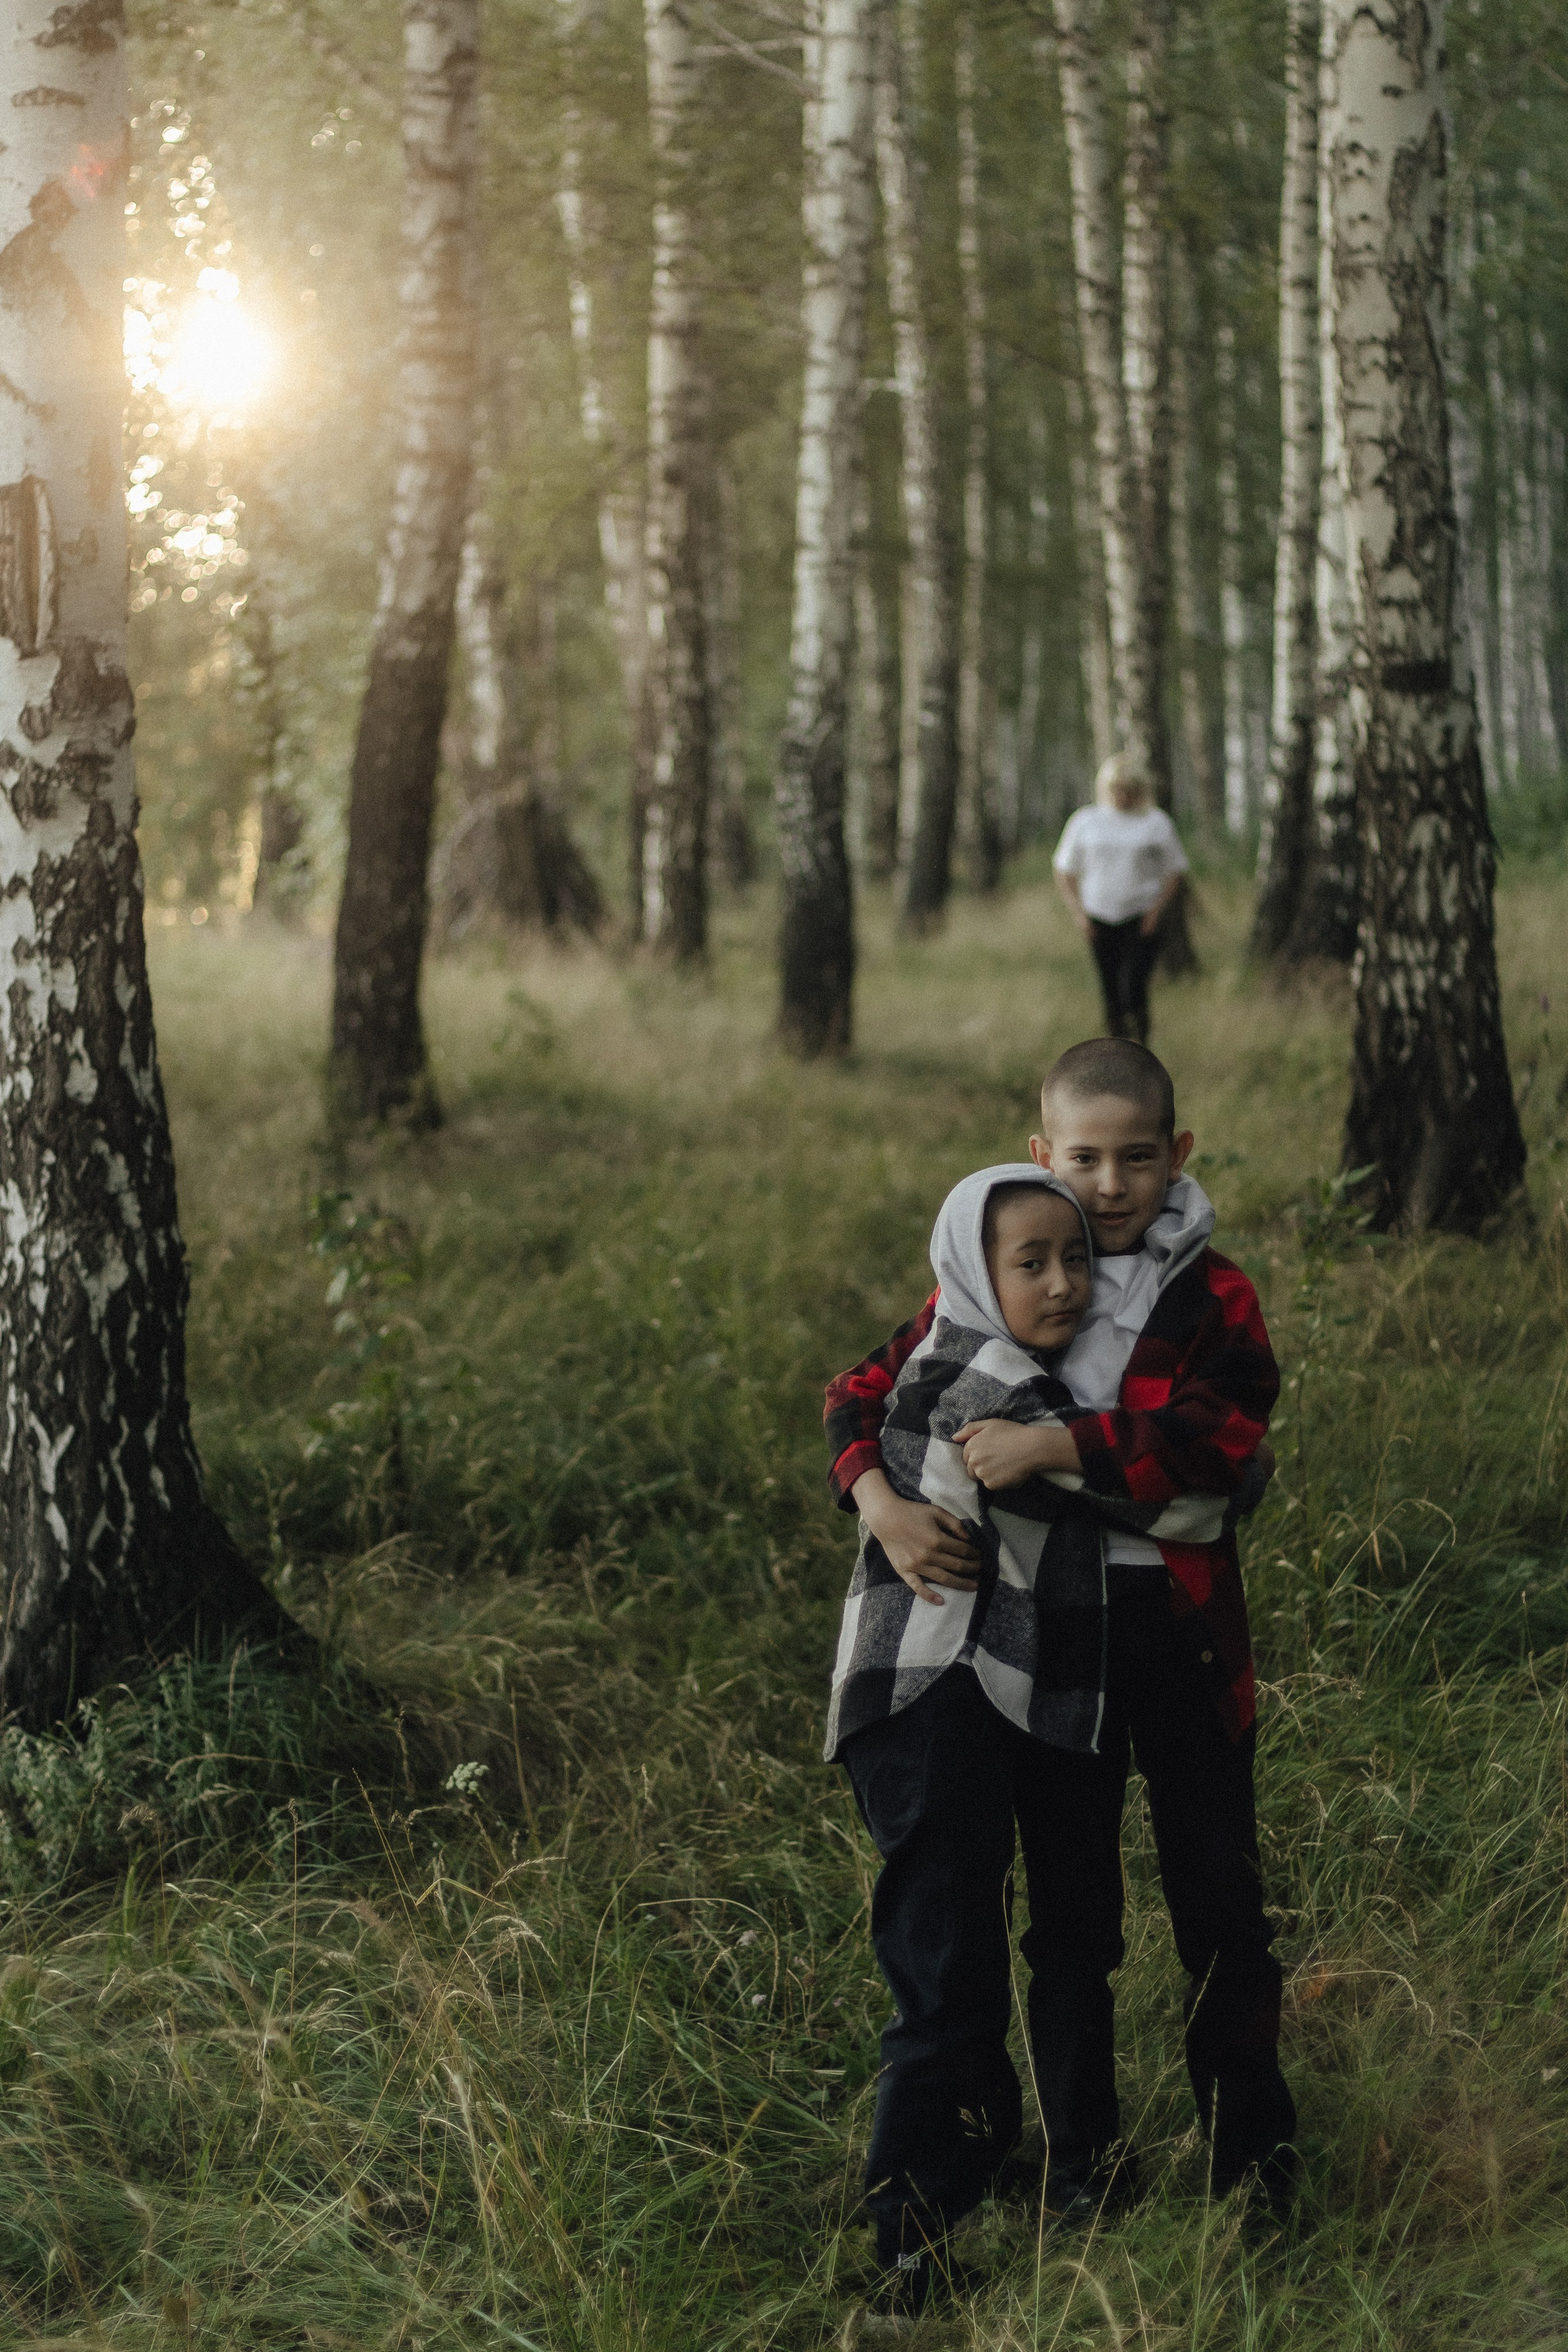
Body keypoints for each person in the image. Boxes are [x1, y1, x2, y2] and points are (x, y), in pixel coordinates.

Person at [826, 1039, 1294, 2323]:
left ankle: (1254, 2157)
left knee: (1216, 1894)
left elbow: (1225, 1440)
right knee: (1072, 1912)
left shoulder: (1211, 1295)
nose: (1107, 1185)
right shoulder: (1010, 1254)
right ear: (1041, 1156)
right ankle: (1080, 2156)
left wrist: (1056, 1446)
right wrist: (876, 1499)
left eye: (1134, 1158)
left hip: (1185, 1635)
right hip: (1054, 1643)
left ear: (1175, 1157)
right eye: (1082, 1158)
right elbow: (865, 1394)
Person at [1052, 753, 1189, 1043]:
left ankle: (1142, 1044)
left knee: (1135, 985)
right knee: (1110, 988)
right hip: (1099, 916)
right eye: (1117, 789)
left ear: (1141, 790)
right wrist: (1079, 913)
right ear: (1106, 788)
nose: (1123, 796)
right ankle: (1116, 1048)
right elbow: (1065, 870)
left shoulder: (1156, 823)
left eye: (1130, 789)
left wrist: (1156, 911)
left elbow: (1175, 872)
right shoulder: (1085, 821)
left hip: (1141, 917)